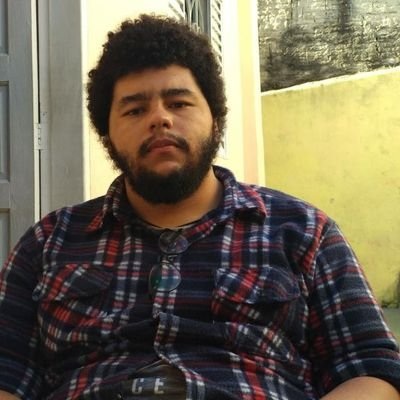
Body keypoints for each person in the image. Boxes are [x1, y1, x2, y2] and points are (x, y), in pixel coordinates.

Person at [0, 14, 399, 400]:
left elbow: (372, 370)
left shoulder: (303, 231)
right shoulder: (50, 242)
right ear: (107, 136)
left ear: (216, 120)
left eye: (179, 103)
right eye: (135, 110)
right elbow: (8, 373)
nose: (160, 119)